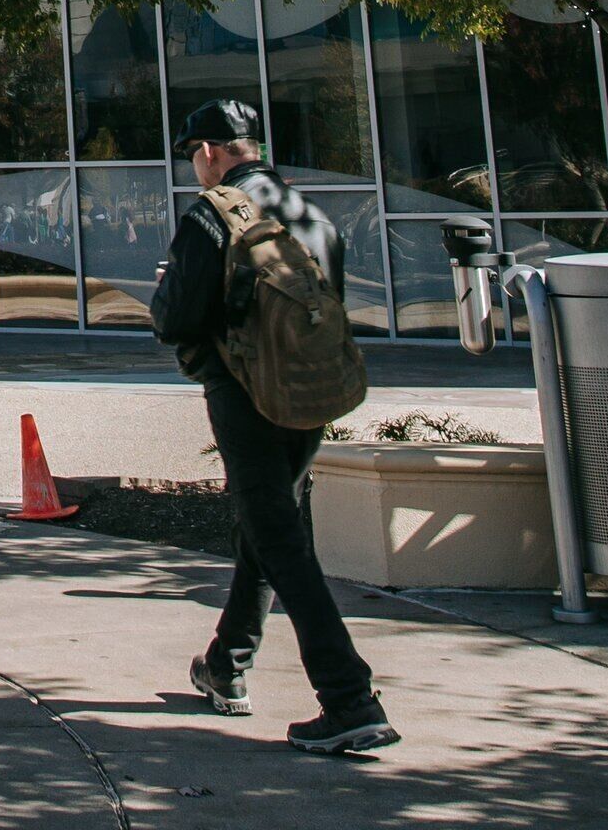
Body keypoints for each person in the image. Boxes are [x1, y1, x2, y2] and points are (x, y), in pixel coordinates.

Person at [150, 98, 396, 757]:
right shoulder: (310, 216)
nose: (195, 169)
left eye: (193, 156)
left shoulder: (213, 214)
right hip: (312, 395)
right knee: (270, 524)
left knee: (279, 538)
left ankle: (349, 698)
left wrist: (168, 290)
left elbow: (175, 318)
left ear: (209, 153)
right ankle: (226, 666)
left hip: (244, 395)